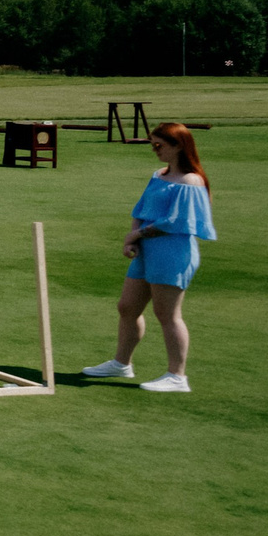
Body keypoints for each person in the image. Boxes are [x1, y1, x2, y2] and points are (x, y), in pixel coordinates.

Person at [85, 123, 217, 393]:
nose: (155, 150)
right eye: (152, 144)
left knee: (167, 314)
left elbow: (177, 222)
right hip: (147, 249)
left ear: (179, 145)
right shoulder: (159, 175)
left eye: (160, 145)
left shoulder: (191, 181)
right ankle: (122, 364)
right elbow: (141, 209)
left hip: (172, 253)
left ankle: (177, 376)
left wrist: (138, 235)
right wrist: (133, 235)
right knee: (127, 307)